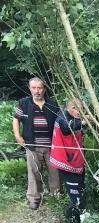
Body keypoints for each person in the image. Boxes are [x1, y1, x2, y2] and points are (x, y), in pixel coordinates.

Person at [12, 77, 61, 209]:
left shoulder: (53, 105)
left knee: (54, 172)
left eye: (39, 88)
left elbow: (60, 124)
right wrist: (17, 136)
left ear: (44, 89)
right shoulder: (24, 103)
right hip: (32, 145)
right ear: (30, 89)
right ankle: (34, 199)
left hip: (52, 146)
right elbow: (16, 119)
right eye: (34, 88)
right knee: (34, 173)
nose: (37, 91)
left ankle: (56, 197)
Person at [49, 100, 86, 223]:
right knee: (76, 197)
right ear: (67, 108)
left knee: (80, 194)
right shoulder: (63, 118)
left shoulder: (75, 118)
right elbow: (67, 127)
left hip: (76, 162)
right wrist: (85, 121)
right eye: (74, 108)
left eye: (80, 108)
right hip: (67, 164)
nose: (78, 111)